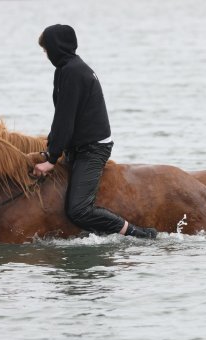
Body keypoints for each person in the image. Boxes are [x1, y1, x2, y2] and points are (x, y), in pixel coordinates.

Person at [32, 24, 157, 239]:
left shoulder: (73, 71)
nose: (46, 55)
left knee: (78, 210)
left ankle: (139, 234)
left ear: (57, 47)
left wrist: (51, 159)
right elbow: (60, 117)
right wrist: (51, 148)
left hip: (93, 149)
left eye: (46, 50)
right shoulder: (64, 70)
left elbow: (65, 119)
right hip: (78, 145)